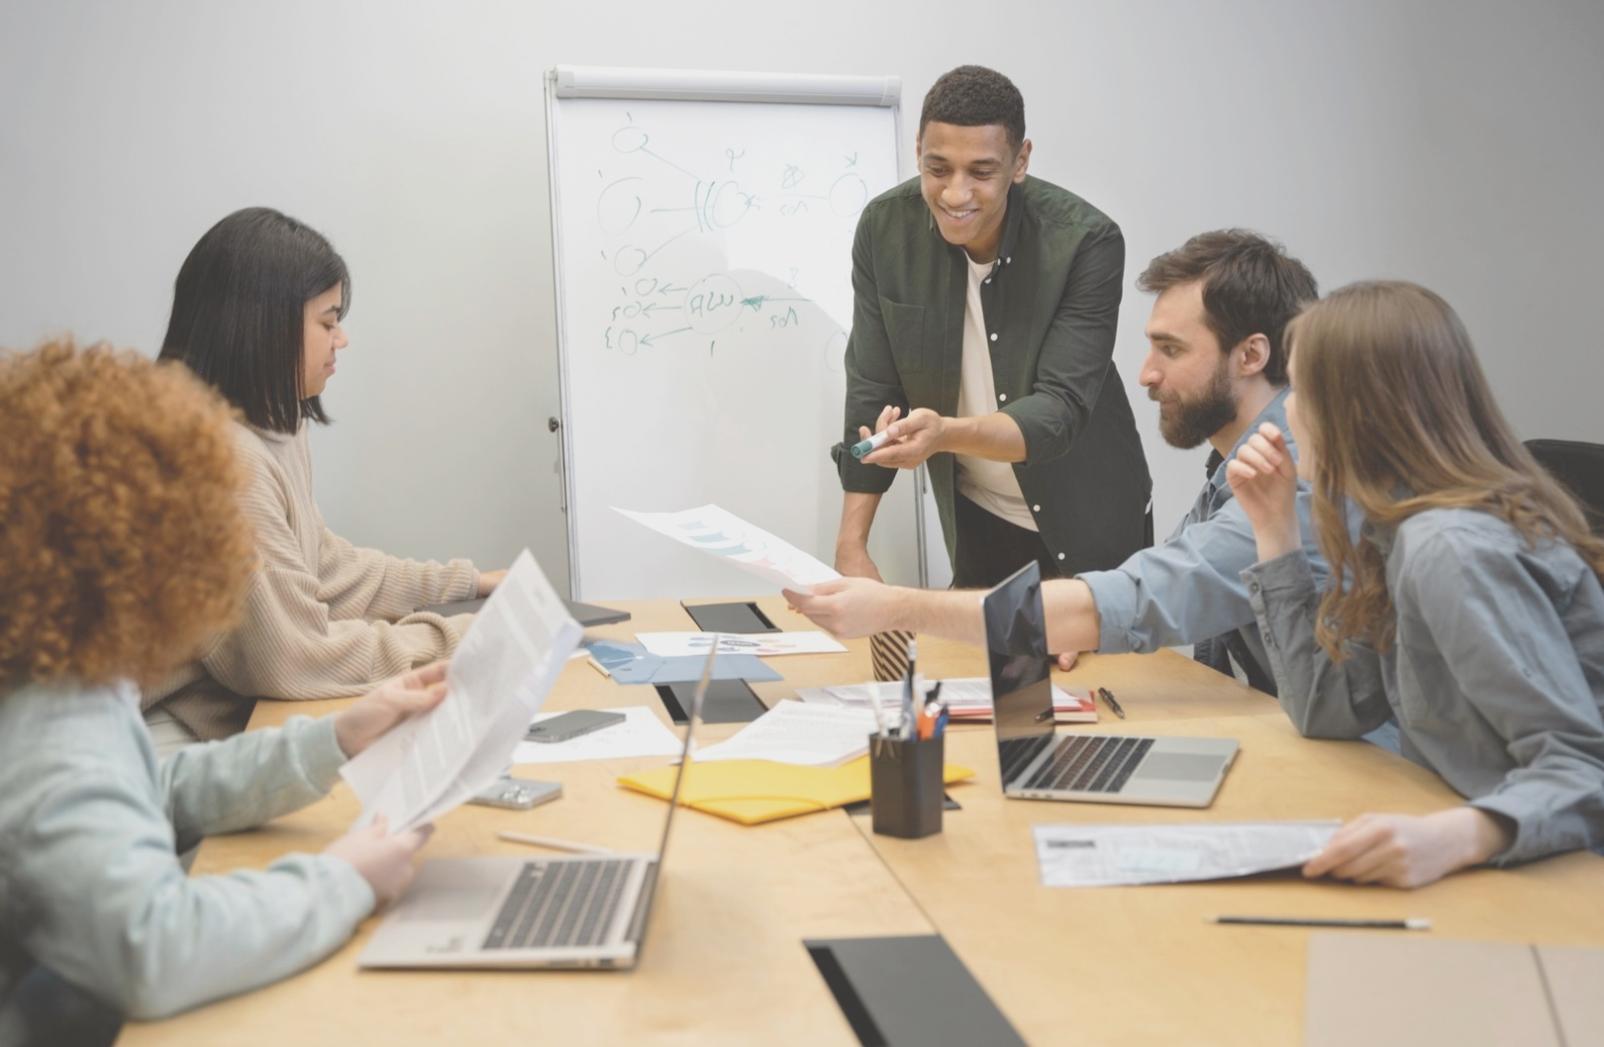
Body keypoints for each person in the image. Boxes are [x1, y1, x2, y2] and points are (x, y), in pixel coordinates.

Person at [0, 341, 440, 1032]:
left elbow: (152, 787)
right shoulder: (57, 735)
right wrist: (343, 879)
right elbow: (156, 948)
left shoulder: (53, 678)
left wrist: (335, 737)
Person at [794, 230, 1322, 692]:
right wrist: (1081, 625)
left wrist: (894, 608)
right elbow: (1155, 587)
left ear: (1251, 356)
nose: (1146, 375)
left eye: (1172, 350)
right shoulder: (1241, 464)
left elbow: (1145, 596)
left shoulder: (1293, 475)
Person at [1227, 281, 1604, 887]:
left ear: (1353, 411)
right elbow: (1331, 710)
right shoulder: (1395, 530)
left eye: (1298, 389)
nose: (1286, 411)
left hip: (1565, 880)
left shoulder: (1448, 549)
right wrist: (1274, 531)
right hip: (1512, 863)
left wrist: (1455, 836)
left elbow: (1584, 770)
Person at [146, 207, 504, 746]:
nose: (342, 341)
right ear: (262, 324)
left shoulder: (266, 423)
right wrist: (464, 636)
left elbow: (319, 568)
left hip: (230, 713)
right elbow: (292, 657)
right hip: (162, 735)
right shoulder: (220, 462)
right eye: (328, 322)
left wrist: (467, 584)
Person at [833, 64, 1150, 590]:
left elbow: (1059, 410)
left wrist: (943, 436)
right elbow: (874, 388)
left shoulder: (1085, 242)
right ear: (917, 151)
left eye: (981, 172)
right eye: (938, 169)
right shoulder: (884, 230)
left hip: (1089, 518)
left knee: (1093, 673)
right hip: (979, 514)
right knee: (977, 669)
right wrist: (852, 546)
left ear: (1020, 160)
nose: (956, 194)